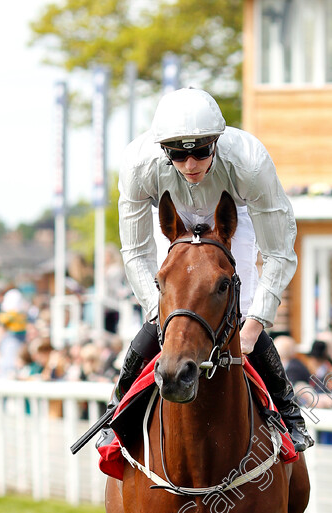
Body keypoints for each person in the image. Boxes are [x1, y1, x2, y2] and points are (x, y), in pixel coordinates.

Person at [94, 87, 313, 452]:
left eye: (200, 151)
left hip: (234, 213)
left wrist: (255, 323)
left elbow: (280, 253)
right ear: (163, 150)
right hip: (169, 214)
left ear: (217, 142)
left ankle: (289, 414)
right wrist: (159, 312)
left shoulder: (250, 163)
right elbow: (135, 252)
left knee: (237, 315)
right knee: (168, 309)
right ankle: (116, 411)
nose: (191, 164)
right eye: (178, 155)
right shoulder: (138, 164)